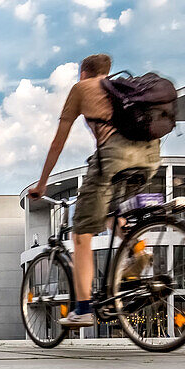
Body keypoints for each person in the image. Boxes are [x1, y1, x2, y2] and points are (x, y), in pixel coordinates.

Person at [28, 53, 161, 329]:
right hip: (149, 157)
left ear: (83, 73)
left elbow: (58, 142)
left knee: (81, 234)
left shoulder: (82, 88)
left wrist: (42, 183)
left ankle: (83, 308)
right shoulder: (123, 90)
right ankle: (138, 253)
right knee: (112, 213)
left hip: (113, 157)